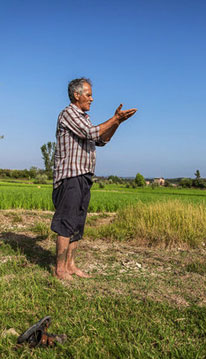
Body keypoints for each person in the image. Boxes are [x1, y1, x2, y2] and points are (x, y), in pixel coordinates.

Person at [50, 78, 137, 280]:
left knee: (78, 224)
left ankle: (70, 265)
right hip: (70, 175)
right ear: (76, 95)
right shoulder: (68, 114)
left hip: (84, 176)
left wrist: (118, 123)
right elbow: (90, 133)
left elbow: (101, 140)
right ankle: (60, 269)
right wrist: (114, 119)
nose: (92, 98)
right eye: (88, 94)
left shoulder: (85, 117)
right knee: (66, 223)